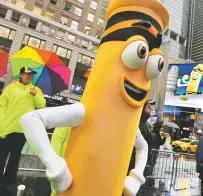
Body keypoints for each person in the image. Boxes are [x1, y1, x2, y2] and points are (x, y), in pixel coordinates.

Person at [0, 66, 46, 195]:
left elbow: (41, 105)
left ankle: (8, 182)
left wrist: (35, 94)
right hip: (5, 129)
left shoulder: (36, 90)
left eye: (31, 74)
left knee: (15, 158)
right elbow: (2, 104)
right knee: (1, 156)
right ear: (20, 75)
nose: (30, 76)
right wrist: (1, 122)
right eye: (27, 74)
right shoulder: (11, 88)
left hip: (21, 131)